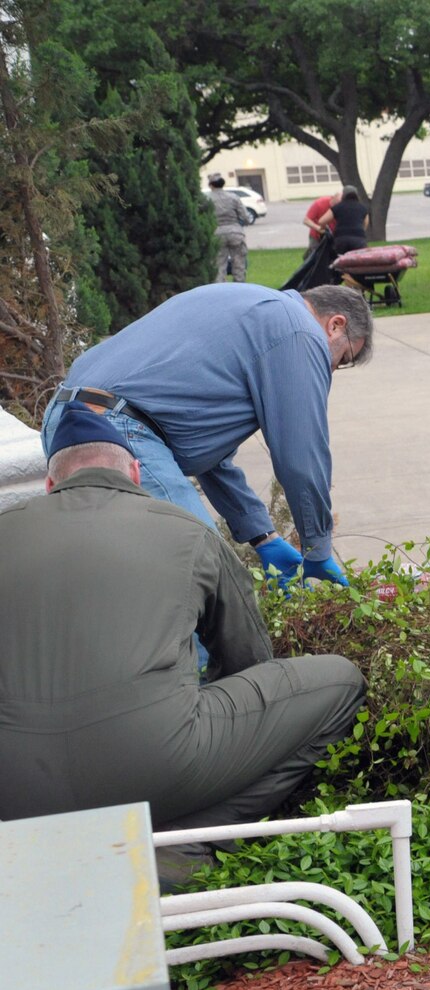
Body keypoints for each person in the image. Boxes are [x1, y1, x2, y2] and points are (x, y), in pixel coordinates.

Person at [0, 404, 366, 885]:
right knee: (342, 682)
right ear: (134, 472)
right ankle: (184, 840)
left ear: (51, 484)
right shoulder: (186, 529)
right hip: (158, 766)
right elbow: (249, 661)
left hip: (15, 791)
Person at [40, 283, 373, 587]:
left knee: (125, 584)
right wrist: (317, 546)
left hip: (65, 419)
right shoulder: (299, 330)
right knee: (208, 584)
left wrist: (263, 536)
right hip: (122, 431)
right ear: (336, 325)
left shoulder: (249, 305)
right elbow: (302, 456)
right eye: (343, 359)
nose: (331, 370)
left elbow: (210, 456)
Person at [207, 173, 250, 283]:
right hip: (236, 233)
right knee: (239, 264)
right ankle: (240, 289)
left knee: (219, 265)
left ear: (211, 185)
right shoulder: (233, 197)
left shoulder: (207, 199)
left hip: (216, 234)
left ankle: (220, 290)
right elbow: (245, 217)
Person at [319, 186, 370, 257]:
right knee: (359, 261)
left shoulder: (337, 207)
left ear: (343, 195)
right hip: (359, 239)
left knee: (340, 261)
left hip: (341, 239)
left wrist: (324, 229)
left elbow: (321, 221)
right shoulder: (363, 208)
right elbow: (365, 224)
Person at [302, 189, 341, 255]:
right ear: (333, 197)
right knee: (314, 256)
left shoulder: (342, 207)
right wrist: (319, 229)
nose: (337, 206)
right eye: (336, 203)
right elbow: (306, 220)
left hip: (333, 236)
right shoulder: (320, 203)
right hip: (316, 236)